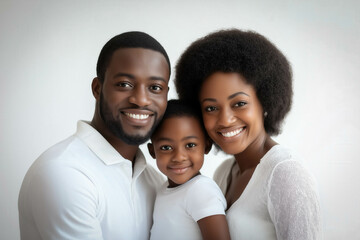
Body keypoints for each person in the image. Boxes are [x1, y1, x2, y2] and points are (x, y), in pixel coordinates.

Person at [18, 31, 171, 240]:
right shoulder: (63, 173)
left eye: (155, 87)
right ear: (97, 89)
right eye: (125, 84)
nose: (141, 100)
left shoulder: (154, 180)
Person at [175, 29, 322, 239]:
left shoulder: (285, 173)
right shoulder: (224, 173)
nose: (225, 120)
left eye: (240, 103)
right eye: (210, 108)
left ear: (265, 101)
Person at [147, 99, 230, 240]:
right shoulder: (163, 189)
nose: (179, 157)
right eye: (166, 147)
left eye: (190, 145)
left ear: (207, 146)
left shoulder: (201, 190)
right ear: (152, 151)